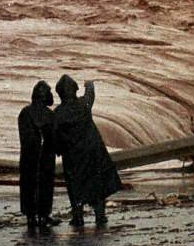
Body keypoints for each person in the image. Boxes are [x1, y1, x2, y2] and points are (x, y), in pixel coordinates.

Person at [53, 76, 122, 228]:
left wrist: (58, 150)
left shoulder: (58, 113)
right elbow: (90, 94)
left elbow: (55, 136)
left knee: (75, 187)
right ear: (75, 90)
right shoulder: (83, 104)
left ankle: (78, 217)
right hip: (92, 151)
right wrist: (89, 83)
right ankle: (100, 216)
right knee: (97, 184)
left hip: (72, 156)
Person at [18, 81, 58, 230]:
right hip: (45, 157)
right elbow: (54, 138)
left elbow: (25, 138)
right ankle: (43, 215)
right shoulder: (49, 115)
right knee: (45, 185)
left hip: (30, 157)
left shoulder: (25, 112)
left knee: (30, 185)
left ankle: (32, 217)